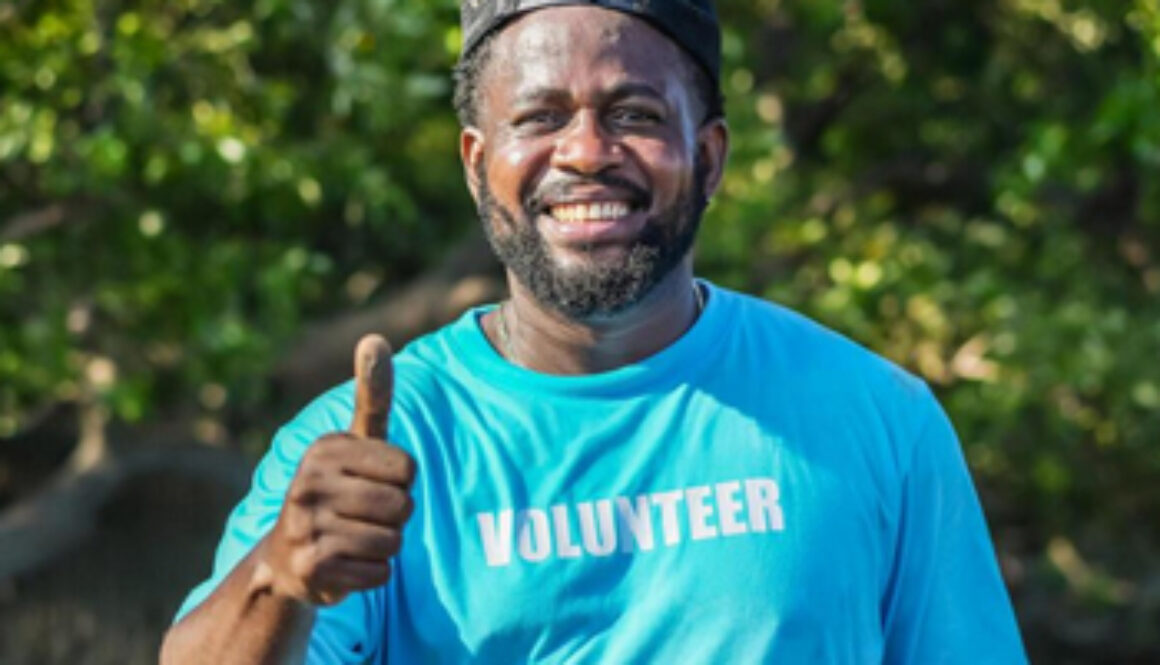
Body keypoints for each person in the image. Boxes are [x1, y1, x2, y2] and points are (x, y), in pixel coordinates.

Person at [161, 1, 1028, 663]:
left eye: (637, 114)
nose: (585, 151)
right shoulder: (365, 448)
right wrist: (280, 571)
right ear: (475, 163)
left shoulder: (876, 417)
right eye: (539, 118)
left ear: (713, 156)